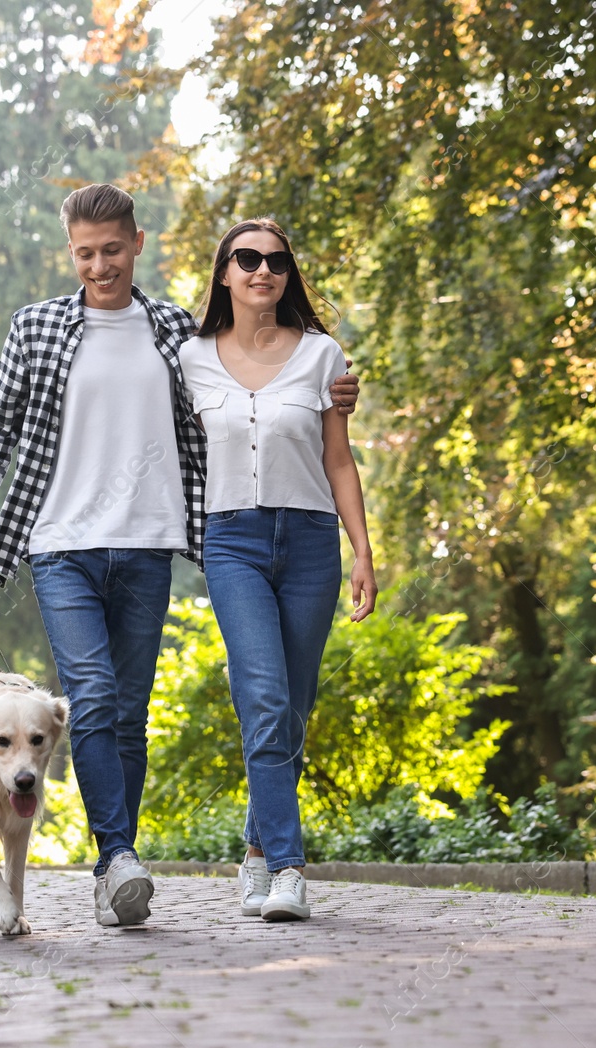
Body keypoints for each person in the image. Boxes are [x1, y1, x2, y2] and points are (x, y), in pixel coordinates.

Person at [0, 185, 360, 927]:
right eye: (85, 253)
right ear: (70, 251)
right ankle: (116, 859)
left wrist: (329, 389)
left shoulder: (176, 331)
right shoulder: (38, 327)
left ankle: (122, 869)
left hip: (148, 544)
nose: (99, 266)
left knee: (130, 716)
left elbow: (245, 376)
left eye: (112, 250)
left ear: (137, 244)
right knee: (96, 698)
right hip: (61, 544)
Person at [177, 217, 378, 922]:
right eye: (248, 258)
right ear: (224, 272)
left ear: (288, 276)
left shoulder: (324, 356)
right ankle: (291, 868)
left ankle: (258, 851)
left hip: (312, 543)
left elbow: (339, 459)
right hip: (231, 541)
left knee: (292, 707)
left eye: (278, 261)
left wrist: (362, 549)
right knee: (262, 697)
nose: (264, 270)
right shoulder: (190, 358)